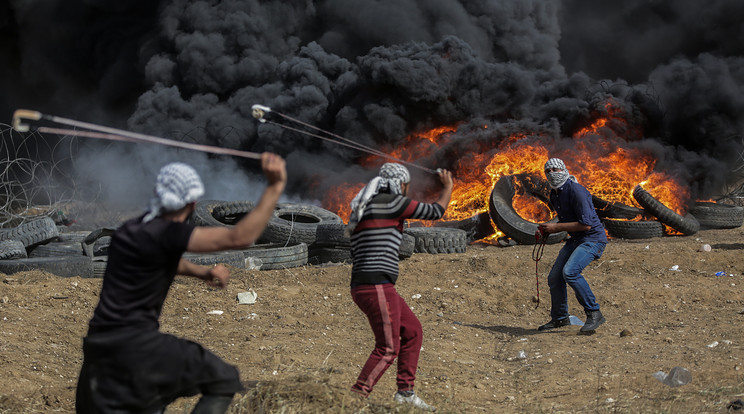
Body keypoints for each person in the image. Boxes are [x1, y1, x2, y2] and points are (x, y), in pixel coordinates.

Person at [76, 153, 287, 414]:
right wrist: (275, 186)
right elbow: (240, 237)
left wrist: (201, 272)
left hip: (97, 352)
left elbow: (162, 259)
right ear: (192, 202)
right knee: (223, 379)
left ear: (157, 194)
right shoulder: (169, 233)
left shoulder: (129, 231)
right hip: (137, 348)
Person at [347, 162, 453, 412]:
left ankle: (405, 393)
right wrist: (448, 186)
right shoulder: (392, 202)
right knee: (388, 348)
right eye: (407, 186)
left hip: (370, 285)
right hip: (375, 284)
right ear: (401, 185)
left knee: (413, 330)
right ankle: (354, 399)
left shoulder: (367, 207)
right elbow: (436, 211)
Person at [537, 158, 607, 334]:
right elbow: (567, 220)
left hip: (592, 239)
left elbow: (586, 225)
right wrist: (547, 230)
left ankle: (594, 313)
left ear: (564, 170)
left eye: (555, 169)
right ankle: (560, 318)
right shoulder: (555, 193)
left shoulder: (576, 191)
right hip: (576, 240)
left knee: (570, 272)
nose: (552, 173)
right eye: (548, 171)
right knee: (554, 277)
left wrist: (555, 228)